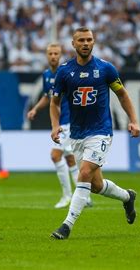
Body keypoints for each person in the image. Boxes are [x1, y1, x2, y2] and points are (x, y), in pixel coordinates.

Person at [50, 27, 140, 239]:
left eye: (89, 39)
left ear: (94, 42)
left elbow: (123, 95)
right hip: (77, 133)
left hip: (101, 131)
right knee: (95, 185)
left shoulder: (106, 69)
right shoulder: (64, 72)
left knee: (83, 173)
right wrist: (55, 125)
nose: (85, 43)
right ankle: (128, 197)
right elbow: (54, 103)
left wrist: (134, 120)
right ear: (73, 44)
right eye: (81, 40)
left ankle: (67, 225)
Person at [27, 43, 92, 209]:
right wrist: (34, 109)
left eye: (56, 53)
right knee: (70, 159)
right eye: (50, 53)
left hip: (70, 121)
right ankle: (85, 197)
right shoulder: (47, 75)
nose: (53, 56)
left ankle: (67, 196)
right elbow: (47, 97)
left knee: (55, 155)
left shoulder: (68, 73)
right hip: (62, 123)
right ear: (46, 56)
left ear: (61, 55)